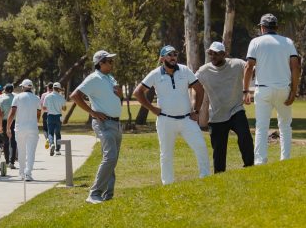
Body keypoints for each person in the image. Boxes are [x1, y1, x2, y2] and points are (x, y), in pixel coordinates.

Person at [134, 45, 211, 185]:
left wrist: (197, 110)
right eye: (169, 55)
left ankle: (205, 176)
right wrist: (152, 109)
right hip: (166, 120)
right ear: (162, 58)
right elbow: (138, 92)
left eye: (175, 54)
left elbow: (199, 90)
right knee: (166, 153)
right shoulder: (155, 74)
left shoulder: (185, 70)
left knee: (200, 146)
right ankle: (168, 183)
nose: (173, 57)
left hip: (187, 119)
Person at [243, 13, 301, 164]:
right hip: (284, 89)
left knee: (261, 127)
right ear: (276, 27)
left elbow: (249, 67)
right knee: (285, 126)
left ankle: (260, 161)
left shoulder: (255, 42)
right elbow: (295, 67)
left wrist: (245, 91)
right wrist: (294, 91)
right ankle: (285, 159)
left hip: (263, 90)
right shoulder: (288, 42)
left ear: (262, 28)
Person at [70, 50, 123, 204]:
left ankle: (108, 194)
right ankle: (94, 194)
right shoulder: (93, 78)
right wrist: (92, 112)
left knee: (112, 160)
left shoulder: (109, 77)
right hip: (103, 123)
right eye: (109, 61)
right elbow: (75, 96)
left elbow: (114, 96)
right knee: (110, 157)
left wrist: (119, 94)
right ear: (100, 63)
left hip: (115, 123)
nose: (112, 63)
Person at [196, 42, 254, 172]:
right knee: (219, 149)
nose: (213, 56)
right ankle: (219, 174)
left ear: (224, 54)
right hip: (217, 115)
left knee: (245, 137)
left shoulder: (237, 64)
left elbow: (251, 69)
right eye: (210, 53)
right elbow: (192, 84)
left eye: (216, 53)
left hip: (236, 109)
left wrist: (247, 90)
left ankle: (250, 166)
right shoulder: (204, 71)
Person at [7, 79, 41, 181]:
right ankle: (28, 173)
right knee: (31, 152)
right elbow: (39, 113)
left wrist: (8, 127)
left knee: (21, 151)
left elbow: (12, 113)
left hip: (20, 128)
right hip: (32, 128)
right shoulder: (36, 98)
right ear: (31, 87)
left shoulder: (17, 97)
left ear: (23, 87)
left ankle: (21, 173)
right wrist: (35, 121)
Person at [0, 84, 17, 169]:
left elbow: (0, 113)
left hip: (5, 121)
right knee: (13, 141)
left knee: (6, 141)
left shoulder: (2, 99)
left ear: (5, 90)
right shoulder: (16, 98)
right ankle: (12, 162)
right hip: (15, 121)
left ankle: (7, 161)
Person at [43, 82, 66, 156]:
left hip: (50, 116)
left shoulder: (47, 96)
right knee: (58, 133)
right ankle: (58, 149)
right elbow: (64, 108)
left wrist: (50, 108)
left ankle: (52, 144)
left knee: (50, 133)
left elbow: (44, 107)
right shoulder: (61, 97)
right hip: (58, 116)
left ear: (52, 88)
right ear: (59, 89)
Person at [39, 82, 54, 147]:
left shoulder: (44, 95)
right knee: (52, 128)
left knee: (45, 128)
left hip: (46, 113)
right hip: (53, 113)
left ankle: (47, 139)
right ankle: (51, 141)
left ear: (48, 87)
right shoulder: (55, 94)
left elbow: (41, 104)